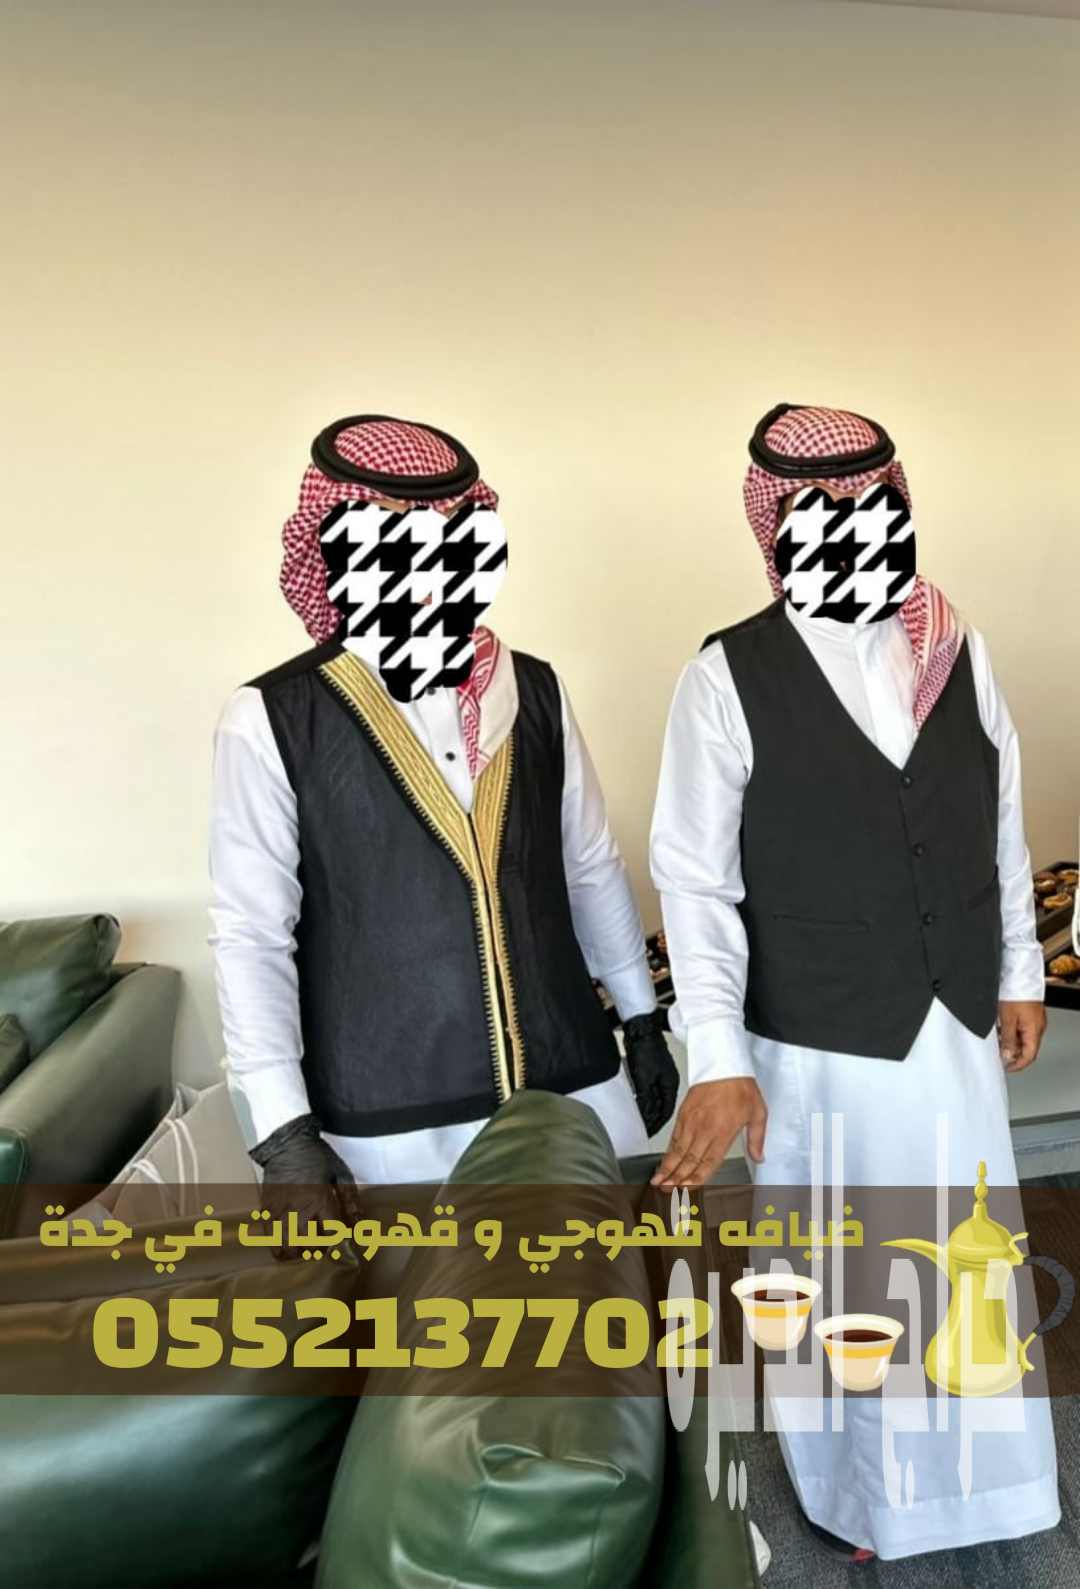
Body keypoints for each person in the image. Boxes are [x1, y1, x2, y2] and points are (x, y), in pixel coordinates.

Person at [649, 403, 1057, 1559]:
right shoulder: (725, 676)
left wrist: (1019, 966)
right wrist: (716, 1057)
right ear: (777, 527)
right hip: (818, 1044)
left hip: (953, 1025)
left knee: (967, 1261)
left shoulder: (955, 645)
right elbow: (694, 882)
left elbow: (997, 815)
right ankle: (861, 1499)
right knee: (843, 1273)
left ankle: (988, 1492)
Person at [208, 413, 676, 1210]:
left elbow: (589, 866)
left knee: (611, 1285)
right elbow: (251, 933)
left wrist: (638, 1017)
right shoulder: (272, 718)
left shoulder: (535, 690)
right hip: (391, 1125)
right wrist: (284, 1131)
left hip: (572, 1095)